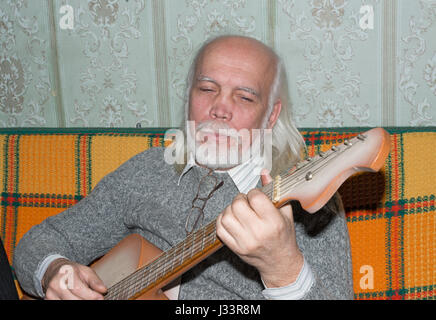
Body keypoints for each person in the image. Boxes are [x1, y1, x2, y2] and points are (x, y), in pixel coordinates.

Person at [13, 35, 353, 300]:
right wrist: (53, 272)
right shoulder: (147, 171)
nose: (220, 108)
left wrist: (283, 267)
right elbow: (39, 242)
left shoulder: (307, 202)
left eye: (245, 97)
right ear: (189, 96)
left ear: (272, 115)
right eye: (207, 89)